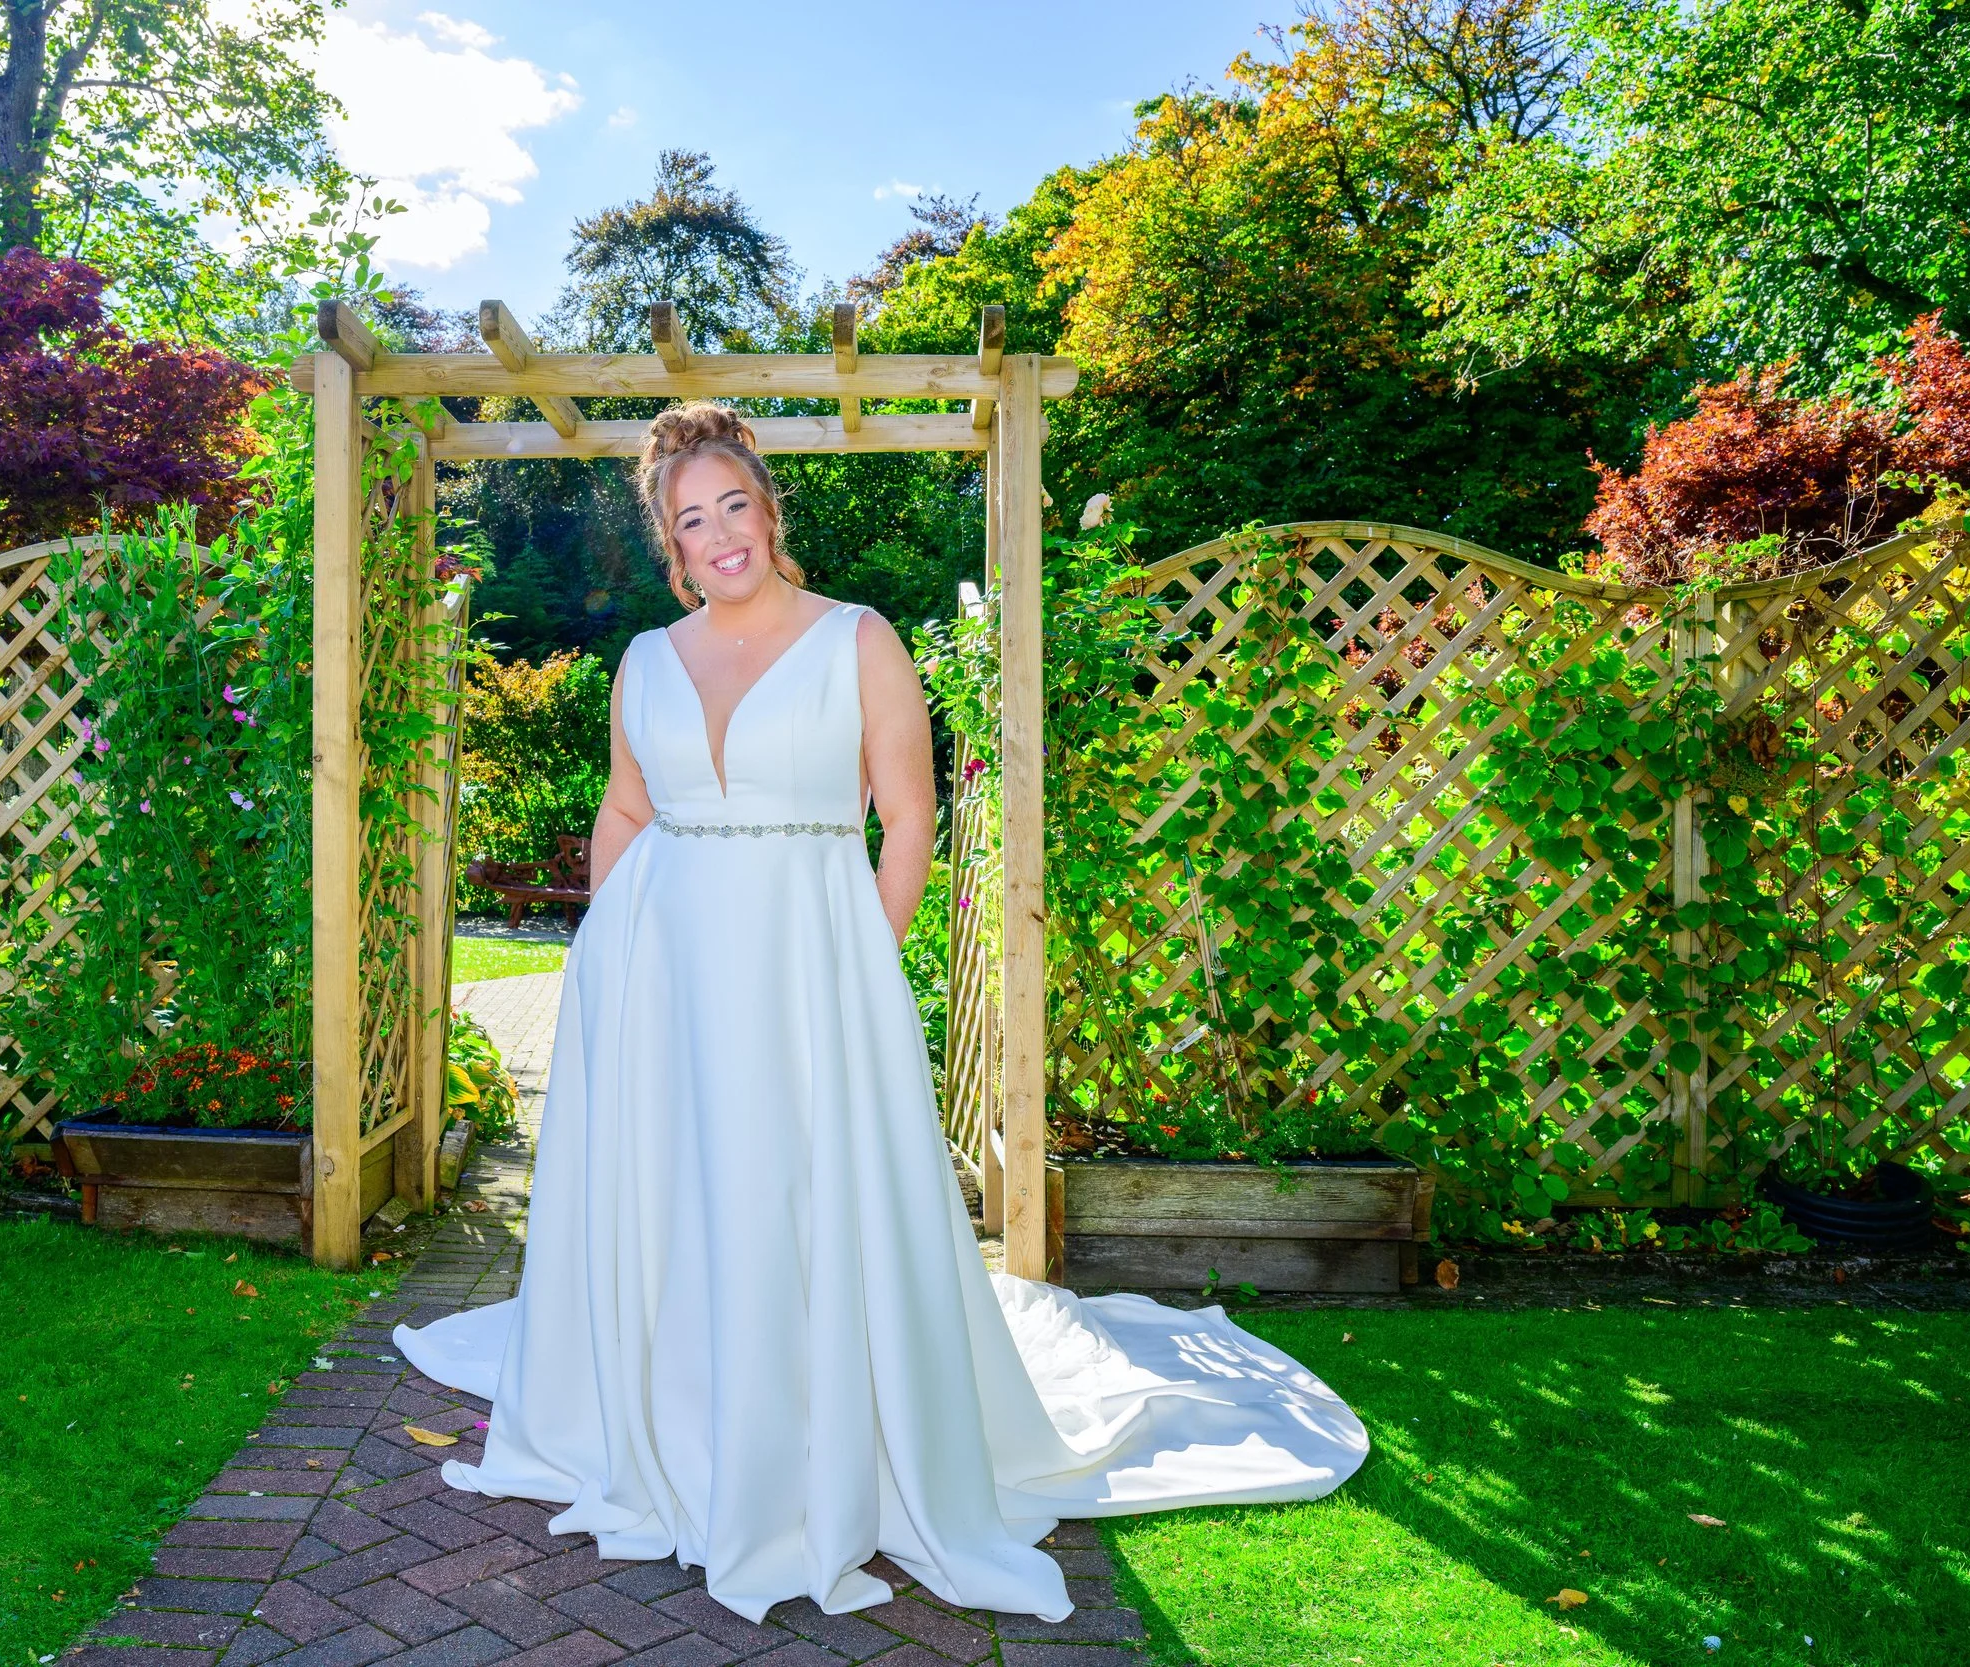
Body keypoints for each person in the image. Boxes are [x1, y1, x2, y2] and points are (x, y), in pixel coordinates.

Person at [395, 404, 1366, 1624]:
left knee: (799, 1190)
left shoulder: (857, 639)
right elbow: (626, 810)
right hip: (660, 973)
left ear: (767, 510)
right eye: (690, 521)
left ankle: (812, 1439)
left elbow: (907, 819)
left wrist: (862, 957)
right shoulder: (645, 658)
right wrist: (599, 952)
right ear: (673, 547)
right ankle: (685, 1420)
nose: (718, 534)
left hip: (810, 963)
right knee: (688, 1189)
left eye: (732, 505)